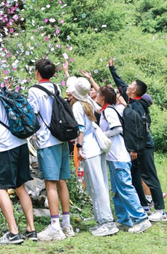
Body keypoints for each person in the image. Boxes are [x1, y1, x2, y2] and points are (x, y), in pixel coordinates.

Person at [0, 64, 36, 245]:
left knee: (1, 187)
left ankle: (13, 232)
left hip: (5, 148)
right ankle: (31, 229)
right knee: (20, 186)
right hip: (21, 144)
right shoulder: (4, 94)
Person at [109, 58, 166, 222]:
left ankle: (160, 210)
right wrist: (112, 68)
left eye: (131, 86)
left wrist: (135, 149)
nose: (128, 86)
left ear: (135, 91)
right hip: (134, 147)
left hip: (144, 146)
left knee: (149, 176)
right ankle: (143, 206)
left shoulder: (138, 106)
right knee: (134, 175)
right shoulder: (131, 99)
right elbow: (121, 84)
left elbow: (139, 130)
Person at [65, 70, 118, 237]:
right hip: (97, 148)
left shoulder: (77, 106)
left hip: (89, 148)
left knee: (97, 186)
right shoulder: (87, 101)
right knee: (100, 183)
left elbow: (80, 129)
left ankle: (107, 222)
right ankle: (103, 219)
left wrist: (79, 147)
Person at [27, 58, 74, 241]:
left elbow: (33, 115)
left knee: (50, 184)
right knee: (62, 181)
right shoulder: (56, 87)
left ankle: (55, 226)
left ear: (37, 72)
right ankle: (66, 224)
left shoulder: (34, 90)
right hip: (60, 138)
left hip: (47, 141)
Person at [96, 86, 152, 233]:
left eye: (97, 94)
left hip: (119, 155)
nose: (95, 95)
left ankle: (141, 219)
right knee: (116, 190)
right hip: (114, 156)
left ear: (102, 97)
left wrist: (103, 135)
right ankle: (123, 219)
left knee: (125, 187)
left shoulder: (109, 111)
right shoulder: (113, 108)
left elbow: (117, 129)